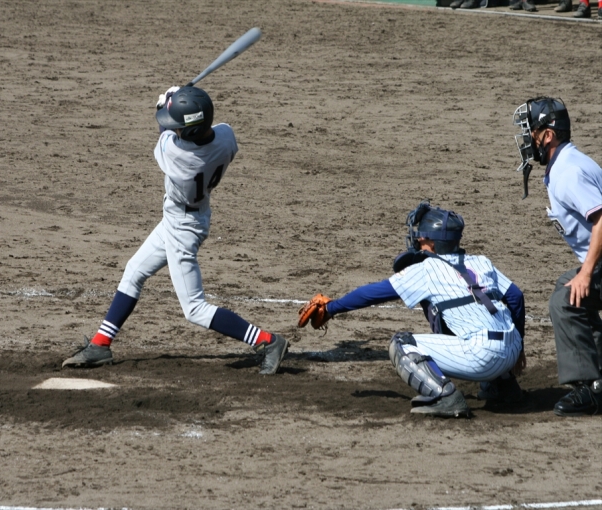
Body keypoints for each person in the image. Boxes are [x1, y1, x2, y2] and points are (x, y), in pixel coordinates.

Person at [62, 86, 289, 375]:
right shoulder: (226, 138)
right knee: (134, 271)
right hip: (186, 217)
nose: (174, 128)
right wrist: (180, 100)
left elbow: (163, 129)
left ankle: (267, 341)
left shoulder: (177, 157)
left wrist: (165, 102)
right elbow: (196, 125)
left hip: (183, 228)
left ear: (189, 131)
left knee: (194, 308)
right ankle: (100, 344)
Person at [298, 201, 527, 418]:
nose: (417, 240)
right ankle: (505, 387)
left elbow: (373, 293)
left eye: (422, 237)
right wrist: (519, 348)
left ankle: (445, 397)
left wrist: (332, 307)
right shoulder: (482, 262)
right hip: (511, 350)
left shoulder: (427, 269)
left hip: (481, 358)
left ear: (433, 243)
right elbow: (515, 297)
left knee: (401, 344)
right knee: (477, 314)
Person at [513, 97, 602, 416]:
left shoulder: (568, 173)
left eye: (532, 132)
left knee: (565, 301)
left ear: (548, 135)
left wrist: (587, 272)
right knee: (570, 288)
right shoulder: (565, 164)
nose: (528, 139)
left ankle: (590, 389)